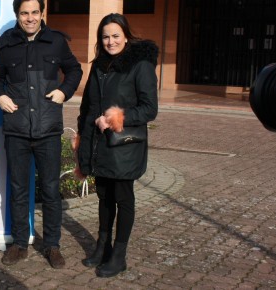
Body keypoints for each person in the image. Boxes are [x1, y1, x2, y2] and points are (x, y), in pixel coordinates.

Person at [0, 0, 82, 269]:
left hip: (48, 129)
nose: (29, 18)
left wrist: (65, 91)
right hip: (16, 129)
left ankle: (52, 245)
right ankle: (19, 243)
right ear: (17, 15)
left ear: (42, 13)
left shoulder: (56, 42)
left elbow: (74, 69)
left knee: (51, 191)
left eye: (34, 12)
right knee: (17, 190)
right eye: (24, 13)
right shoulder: (5, 44)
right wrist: (0, 96)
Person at [76, 13, 158, 278]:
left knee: (123, 198)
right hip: (99, 144)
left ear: (126, 35)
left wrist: (115, 118)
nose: (110, 41)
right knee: (103, 196)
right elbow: (87, 105)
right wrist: (81, 135)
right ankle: (103, 247)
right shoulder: (99, 65)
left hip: (123, 145)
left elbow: (149, 108)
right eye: (105, 37)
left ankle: (119, 256)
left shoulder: (140, 64)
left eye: (115, 36)